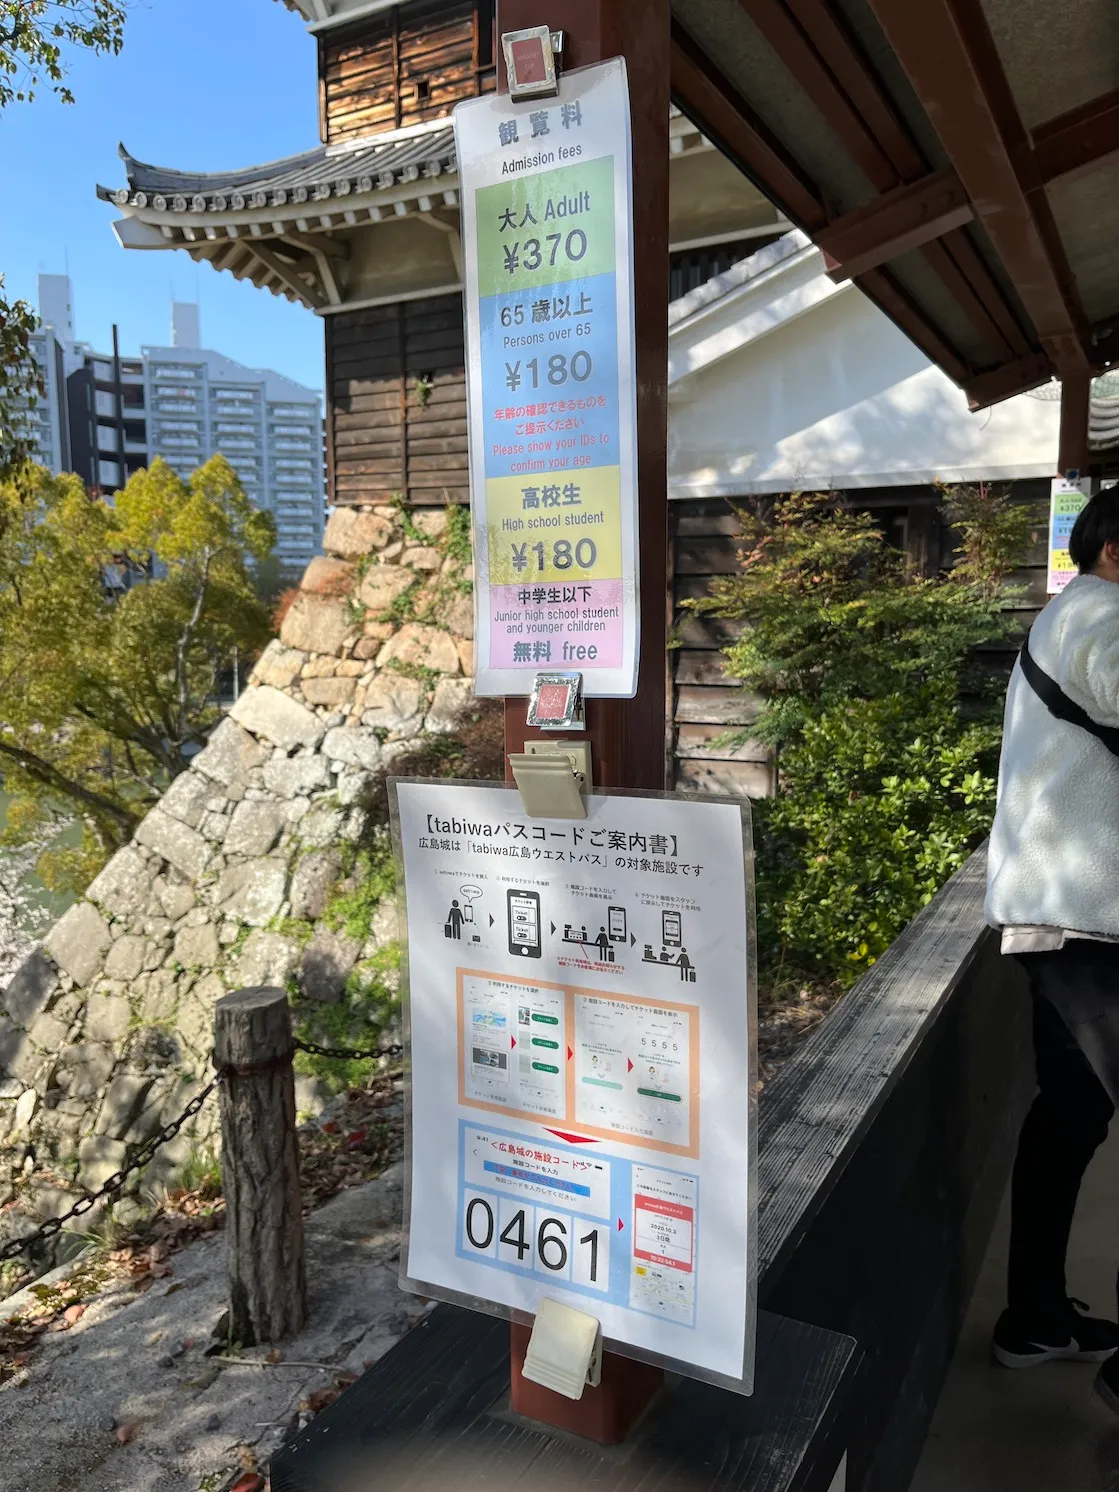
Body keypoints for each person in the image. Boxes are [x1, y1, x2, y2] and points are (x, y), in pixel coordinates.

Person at [986, 487, 1119, 1402]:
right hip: (1085, 922)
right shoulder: (1100, 616)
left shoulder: (1071, 616)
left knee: (1071, 1112)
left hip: (1059, 917)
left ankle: (1032, 1316)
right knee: (1072, 1112)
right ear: (1112, 549)